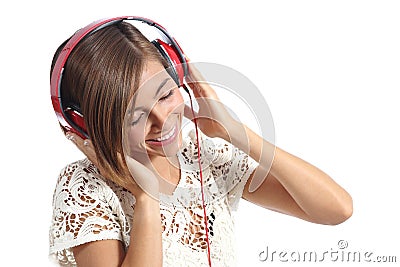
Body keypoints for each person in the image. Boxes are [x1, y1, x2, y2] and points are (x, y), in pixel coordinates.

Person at [49, 18, 353, 267]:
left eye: (166, 95)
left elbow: (336, 209)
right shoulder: (85, 188)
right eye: (135, 116)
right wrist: (146, 196)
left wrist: (234, 131)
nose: (163, 120)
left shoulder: (202, 154)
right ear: (85, 123)